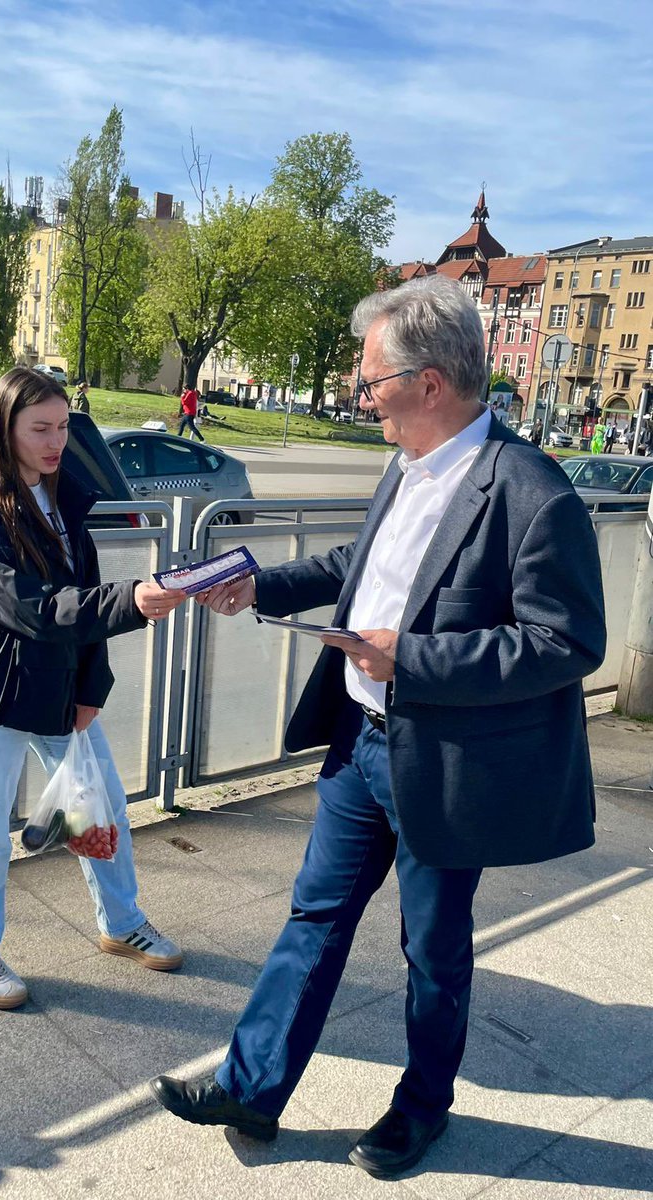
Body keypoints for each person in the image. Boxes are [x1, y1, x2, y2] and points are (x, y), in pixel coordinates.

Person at [150, 275, 606, 1179]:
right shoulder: (405, 466)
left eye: (371, 383)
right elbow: (357, 567)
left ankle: (421, 1108)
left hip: (443, 762)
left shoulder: (530, 490)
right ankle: (253, 1086)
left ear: (430, 381)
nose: (363, 400)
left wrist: (417, 661)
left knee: (432, 949)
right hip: (361, 746)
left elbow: (566, 642)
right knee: (314, 918)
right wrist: (258, 586)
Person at [0, 366, 188, 1010]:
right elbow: (31, 607)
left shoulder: (63, 498)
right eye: (40, 429)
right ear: (7, 428)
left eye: (63, 427)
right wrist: (132, 600)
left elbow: (76, 605)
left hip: (59, 691)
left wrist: (92, 687)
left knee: (99, 808)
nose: (55, 442)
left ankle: (121, 922)